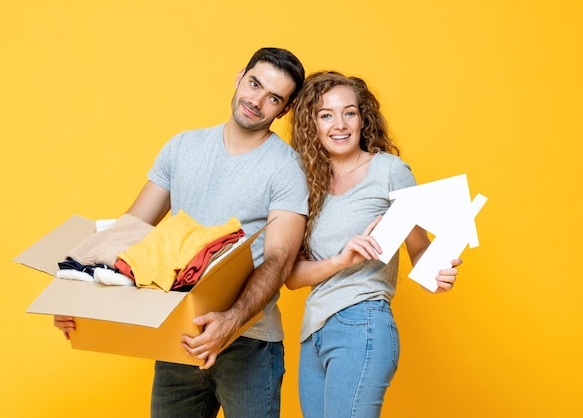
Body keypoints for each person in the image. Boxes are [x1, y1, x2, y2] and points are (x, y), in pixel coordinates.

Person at [54, 47, 309, 418]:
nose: (256, 101)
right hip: (176, 336)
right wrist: (79, 299)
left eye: (273, 98)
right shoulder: (183, 147)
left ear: (283, 110)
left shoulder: (286, 169)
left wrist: (231, 321)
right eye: (254, 84)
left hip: (248, 344)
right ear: (240, 77)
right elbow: (131, 232)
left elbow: (279, 259)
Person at [286, 71, 463, 418]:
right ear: (312, 124)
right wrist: (341, 260)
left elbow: (419, 250)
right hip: (313, 332)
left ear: (362, 118)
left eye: (349, 112)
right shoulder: (308, 185)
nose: (340, 124)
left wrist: (437, 272)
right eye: (326, 115)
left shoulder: (388, 171)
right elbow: (293, 277)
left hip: (362, 322)